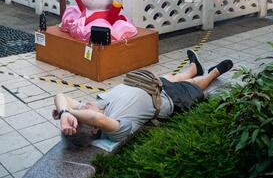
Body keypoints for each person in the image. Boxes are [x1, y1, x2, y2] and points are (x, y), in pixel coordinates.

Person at [53, 50, 234, 143]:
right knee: (193, 85)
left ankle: (194, 67)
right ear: (94, 129)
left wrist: (64, 113)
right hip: (170, 100)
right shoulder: (116, 127)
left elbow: (61, 95)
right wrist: (72, 113)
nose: (82, 106)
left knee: (173, 76)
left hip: (150, 85)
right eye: (81, 111)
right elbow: (96, 118)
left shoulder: (98, 105)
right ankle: (213, 74)